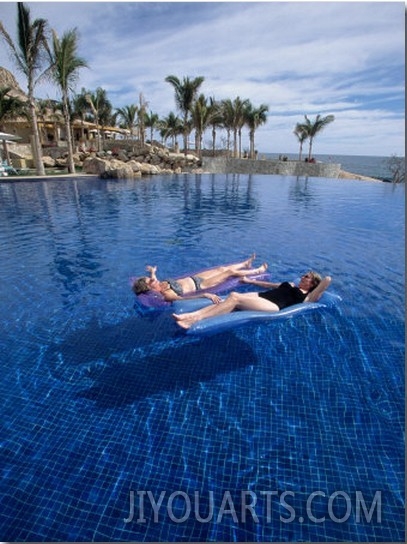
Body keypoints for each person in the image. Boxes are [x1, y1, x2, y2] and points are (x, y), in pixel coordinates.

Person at [173, 272, 332, 329]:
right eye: (304, 275)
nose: (303, 277)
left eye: (307, 277)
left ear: (312, 284)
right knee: (233, 295)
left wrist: (317, 283)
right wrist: (250, 281)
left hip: (273, 306)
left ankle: (195, 319)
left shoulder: (308, 296)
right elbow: (269, 285)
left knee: (235, 298)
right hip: (263, 297)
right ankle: (191, 314)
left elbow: (327, 280)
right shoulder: (290, 284)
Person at [131, 255, 268, 303]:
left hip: (195, 278)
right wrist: (205, 295)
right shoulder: (167, 294)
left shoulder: (158, 283)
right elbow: (184, 299)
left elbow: (153, 278)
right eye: (151, 281)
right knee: (228, 273)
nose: (153, 279)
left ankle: (245, 264)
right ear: (150, 288)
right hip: (201, 285)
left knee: (221, 269)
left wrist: (153, 272)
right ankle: (257, 271)